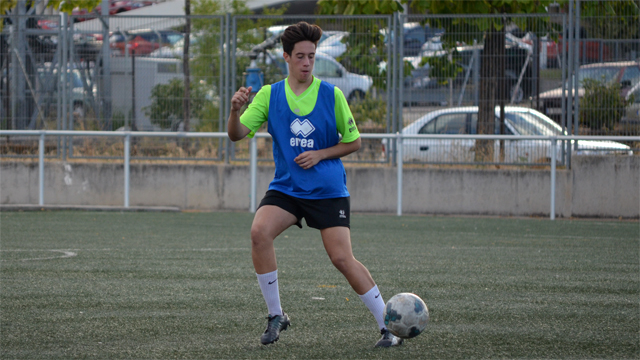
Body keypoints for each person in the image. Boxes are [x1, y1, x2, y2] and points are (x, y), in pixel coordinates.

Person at [227, 21, 402, 348]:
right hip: (287, 188)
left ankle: (388, 327)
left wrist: (320, 154)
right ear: (286, 57)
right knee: (258, 233)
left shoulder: (332, 95)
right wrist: (235, 111)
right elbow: (236, 135)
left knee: (341, 259)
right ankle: (276, 314)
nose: (307, 62)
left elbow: (354, 142)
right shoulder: (270, 95)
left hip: (327, 190)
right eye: (301, 57)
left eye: (312, 56)